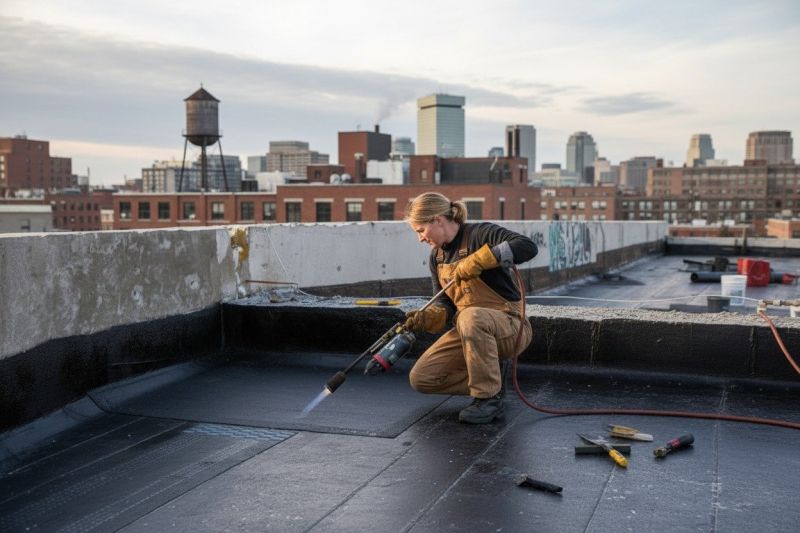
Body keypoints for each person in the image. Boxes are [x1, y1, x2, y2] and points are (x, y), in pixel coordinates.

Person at [403, 192, 537, 424]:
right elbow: (445, 301)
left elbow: (527, 246)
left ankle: (489, 398)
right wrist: (432, 316)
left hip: (510, 326)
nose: (420, 238)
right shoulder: (436, 258)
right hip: (471, 329)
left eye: (420, 230)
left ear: (437, 220)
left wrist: (480, 259)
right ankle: (491, 379)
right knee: (422, 378)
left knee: (470, 317)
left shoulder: (481, 234)